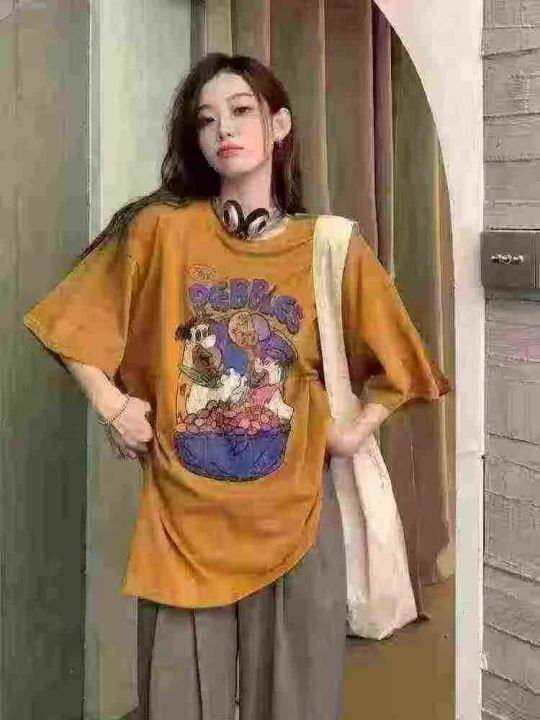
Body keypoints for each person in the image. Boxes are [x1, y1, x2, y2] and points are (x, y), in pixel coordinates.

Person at [24, 53, 450, 720]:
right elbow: (67, 321)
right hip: (183, 527)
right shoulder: (162, 231)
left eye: (241, 110)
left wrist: (349, 433)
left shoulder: (327, 244)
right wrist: (112, 404)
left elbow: (404, 365)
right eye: (206, 119)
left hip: (297, 521)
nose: (223, 127)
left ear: (279, 125)